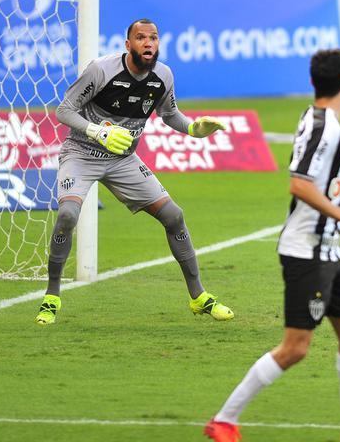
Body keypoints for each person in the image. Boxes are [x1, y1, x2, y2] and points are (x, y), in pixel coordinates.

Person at [205, 50, 340, 442]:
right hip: (306, 252)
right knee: (295, 348)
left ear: (313, 82)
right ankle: (224, 420)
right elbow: (300, 184)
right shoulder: (323, 128)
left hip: (327, 251)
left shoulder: (323, 124)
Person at [35, 19, 232, 325]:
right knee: (68, 216)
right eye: (141, 37)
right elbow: (64, 110)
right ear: (128, 45)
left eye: (153, 37)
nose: (148, 42)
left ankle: (198, 297)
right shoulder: (101, 70)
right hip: (82, 154)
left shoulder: (163, 76)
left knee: (174, 216)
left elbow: (170, 114)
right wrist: (98, 132)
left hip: (123, 160)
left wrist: (194, 128)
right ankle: (51, 296)